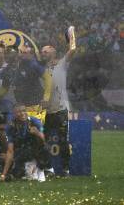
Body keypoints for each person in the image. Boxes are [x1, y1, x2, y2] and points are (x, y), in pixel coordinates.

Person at [41, 34, 76, 176]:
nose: (43, 53)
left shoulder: (61, 65)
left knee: (62, 141)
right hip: (46, 112)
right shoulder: (39, 69)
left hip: (60, 110)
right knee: (44, 141)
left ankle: (66, 169)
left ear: (53, 52)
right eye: (42, 52)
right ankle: (48, 169)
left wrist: (71, 34)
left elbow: (73, 50)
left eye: (46, 51)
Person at [1, 104, 51, 182]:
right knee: (17, 174)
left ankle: (40, 170)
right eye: (19, 112)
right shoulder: (10, 126)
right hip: (22, 151)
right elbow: (10, 151)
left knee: (46, 147)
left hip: (36, 148)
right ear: (14, 114)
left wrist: (37, 133)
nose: (22, 113)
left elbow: (44, 140)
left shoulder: (35, 121)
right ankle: (29, 166)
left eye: (24, 111)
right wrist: (3, 174)